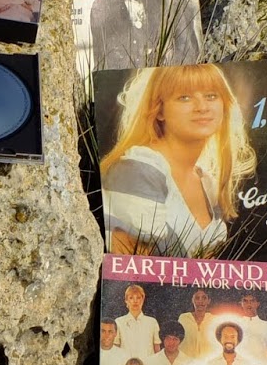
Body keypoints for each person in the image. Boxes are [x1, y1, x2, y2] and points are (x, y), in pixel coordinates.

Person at [100, 64, 256, 257]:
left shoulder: (207, 183)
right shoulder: (138, 169)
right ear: (159, 111)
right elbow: (130, 270)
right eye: (185, 97)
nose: (202, 107)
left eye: (211, 96)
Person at [114, 284, 160, 357]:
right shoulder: (119, 322)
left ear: (143, 300)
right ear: (126, 300)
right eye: (131, 298)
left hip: (147, 363)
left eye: (138, 298)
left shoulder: (152, 322)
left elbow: (157, 349)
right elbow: (116, 348)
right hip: (126, 363)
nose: (135, 301)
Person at [234, 292, 267, 362]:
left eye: (252, 301)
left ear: (257, 304)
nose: (249, 304)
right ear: (241, 303)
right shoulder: (235, 324)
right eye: (245, 301)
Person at [175, 289, 218, 360]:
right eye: (197, 298)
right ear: (192, 300)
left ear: (208, 301)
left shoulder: (213, 319)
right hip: (186, 361)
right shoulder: (184, 318)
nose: (200, 301)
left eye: (204, 298)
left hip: (206, 362)